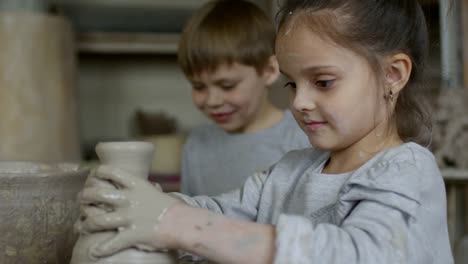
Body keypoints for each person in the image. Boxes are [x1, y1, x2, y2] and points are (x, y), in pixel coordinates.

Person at [77, 0, 454, 263]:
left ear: (393, 75)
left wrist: (178, 224)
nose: (299, 102)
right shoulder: (290, 171)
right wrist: (135, 204)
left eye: (322, 82)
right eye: (292, 84)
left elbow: (361, 256)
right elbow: (224, 213)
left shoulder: (406, 172)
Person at [177, 0, 309, 196]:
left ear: (270, 70)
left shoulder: (302, 138)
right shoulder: (196, 144)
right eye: (199, 86)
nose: (212, 101)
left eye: (227, 85)